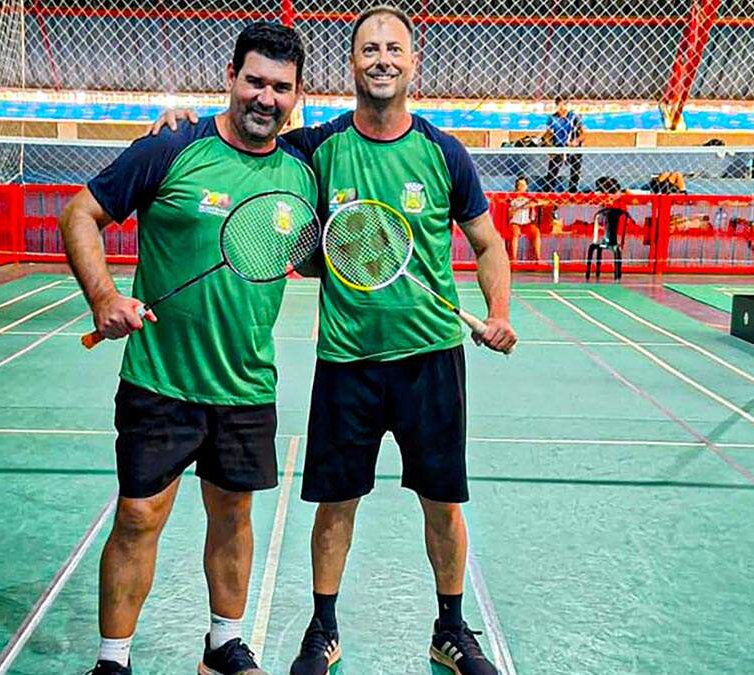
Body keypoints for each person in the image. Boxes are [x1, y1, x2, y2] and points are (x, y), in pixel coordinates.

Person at [155, 6, 516, 674]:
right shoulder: (317, 148)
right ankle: (323, 628)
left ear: (414, 61)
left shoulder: (443, 152)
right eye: (368, 48)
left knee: (444, 502)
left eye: (393, 48)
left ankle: (450, 627)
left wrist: (497, 307)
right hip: (346, 360)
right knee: (335, 503)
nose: (381, 58)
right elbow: (244, 133)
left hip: (431, 355)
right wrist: (186, 125)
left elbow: (487, 241)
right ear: (351, 65)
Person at [60, 22, 316, 675]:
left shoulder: (303, 171)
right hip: (161, 379)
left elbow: (311, 256)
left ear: (297, 95)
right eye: (255, 80)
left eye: (280, 87)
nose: (266, 97)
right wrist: (102, 298)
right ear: (230, 77)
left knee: (233, 515)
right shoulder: (171, 148)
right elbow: (79, 214)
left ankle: (222, 644)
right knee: (139, 514)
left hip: (245, 383)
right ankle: (113, 659)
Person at [543, 95, 585, 192]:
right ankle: (549, 192)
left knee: (575, 172)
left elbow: (583, 134)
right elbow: (547, 134)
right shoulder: (552, 118)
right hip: (558, 148)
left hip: (573, 149)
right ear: (557, 106)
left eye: (565, 105)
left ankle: (572, 192)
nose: (563, 108)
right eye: (560, 106)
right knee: (552, 172)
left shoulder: (575, 117)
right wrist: (549, 146)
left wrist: (576, 141)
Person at [508, 176, 542, 261]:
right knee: (514, 234)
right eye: (519, 185)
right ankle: (514, 259)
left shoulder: (529, 197)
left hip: (527, 223)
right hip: (515, 222)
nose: (521, 187)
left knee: (536, 232)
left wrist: (534, 204)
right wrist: (519, 208)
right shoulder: (512, 197)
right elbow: (509, 214)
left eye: (523, 185)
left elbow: (543, 201)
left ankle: (538, 258)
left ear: (526, 187)